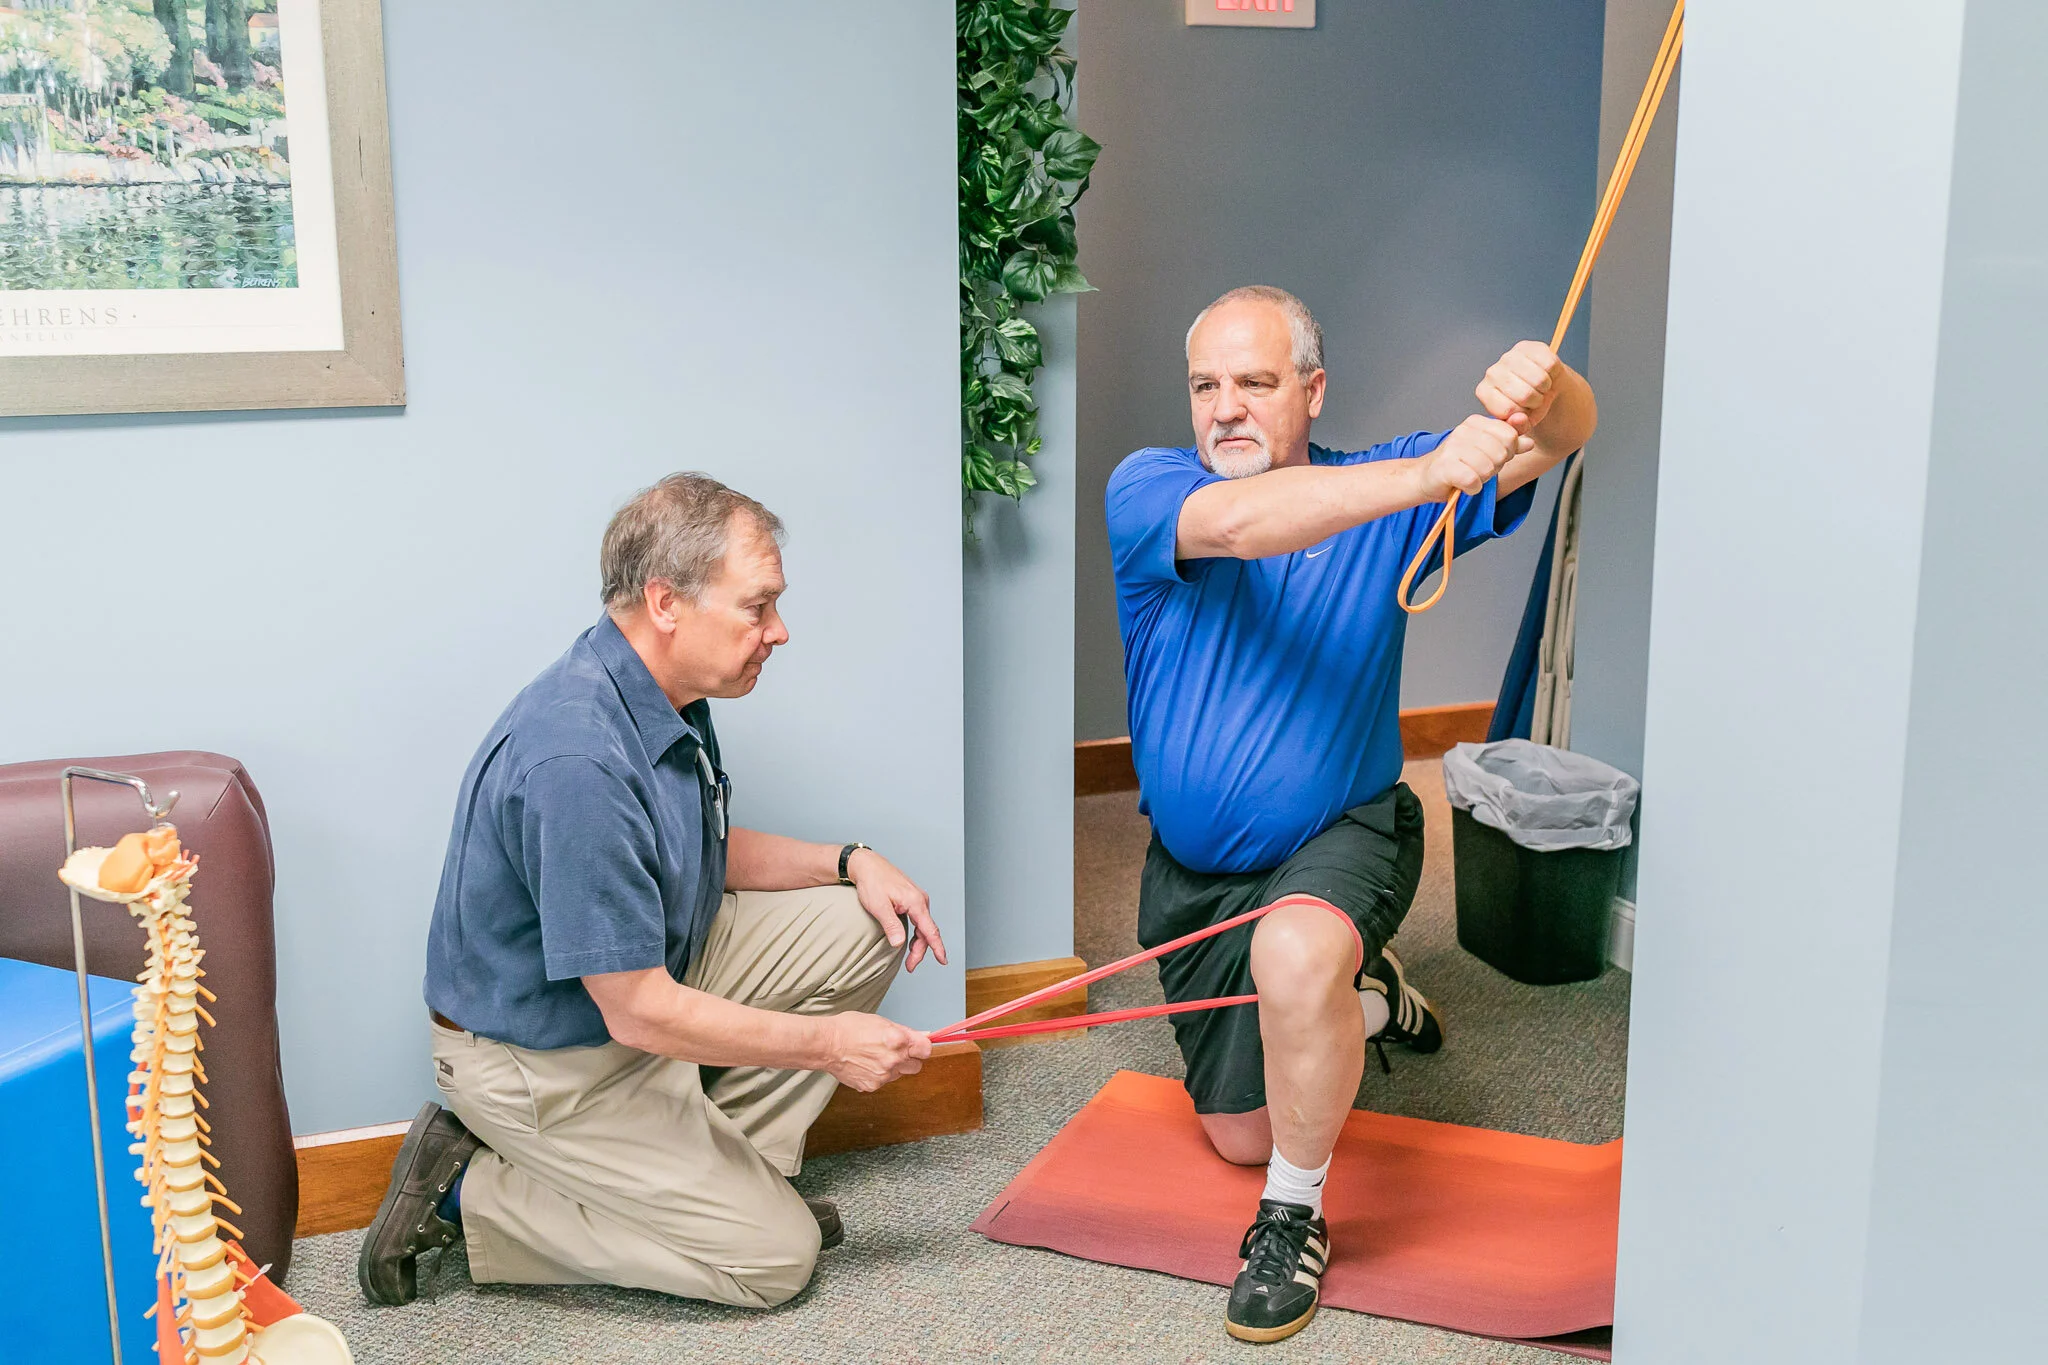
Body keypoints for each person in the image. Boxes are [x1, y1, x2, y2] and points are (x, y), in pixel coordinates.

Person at [1105, 285, 1596, 1343]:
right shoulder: (1148, 489)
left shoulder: (1387, 495)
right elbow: (1240, 525)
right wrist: (1426, 475)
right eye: (1205, 385)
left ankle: (1290, 1218)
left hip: (1345, 832)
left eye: (1255, 382)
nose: (1225, 407)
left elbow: (1560, 436)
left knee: (1291, 973)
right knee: (1238, 1131)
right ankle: (1367, 999)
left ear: (1312, 392)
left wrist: (1544, 392)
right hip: (1195, 874)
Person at [358, 473, 945, 1310]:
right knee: (777, 1261)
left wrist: (851, 860)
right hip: (551, 1058)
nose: (779, 630)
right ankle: (467, 1191)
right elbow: (635, 1011)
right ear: (666, 602)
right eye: (758, 607)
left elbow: (689, 849)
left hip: (635, 986)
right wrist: (828, 1045)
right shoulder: (578, 758)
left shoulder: (663, 690)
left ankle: (718, 1186)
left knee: (862, 922)